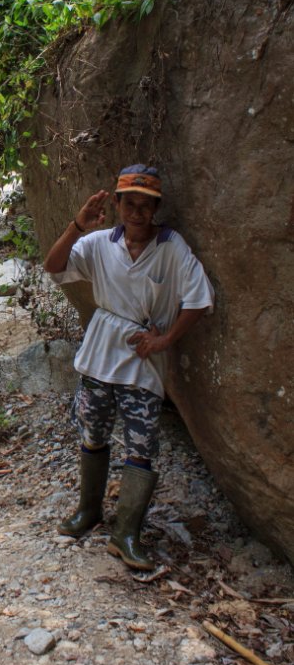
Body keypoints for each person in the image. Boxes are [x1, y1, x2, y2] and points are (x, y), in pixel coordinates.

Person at [43, 164, 214, 570]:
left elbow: (199, 299)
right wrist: (76, 226)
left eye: (146, 205)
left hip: (141, 360)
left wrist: (165, 339)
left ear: (156, 208)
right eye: (130, 203)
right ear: (117, 205)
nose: (137, 212)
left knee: (141, 444)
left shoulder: (172, 247)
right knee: (94, 432)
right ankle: (89, 512)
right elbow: (53, 266)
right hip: (100, 353)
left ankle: (126, 533)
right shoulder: (100, 243)